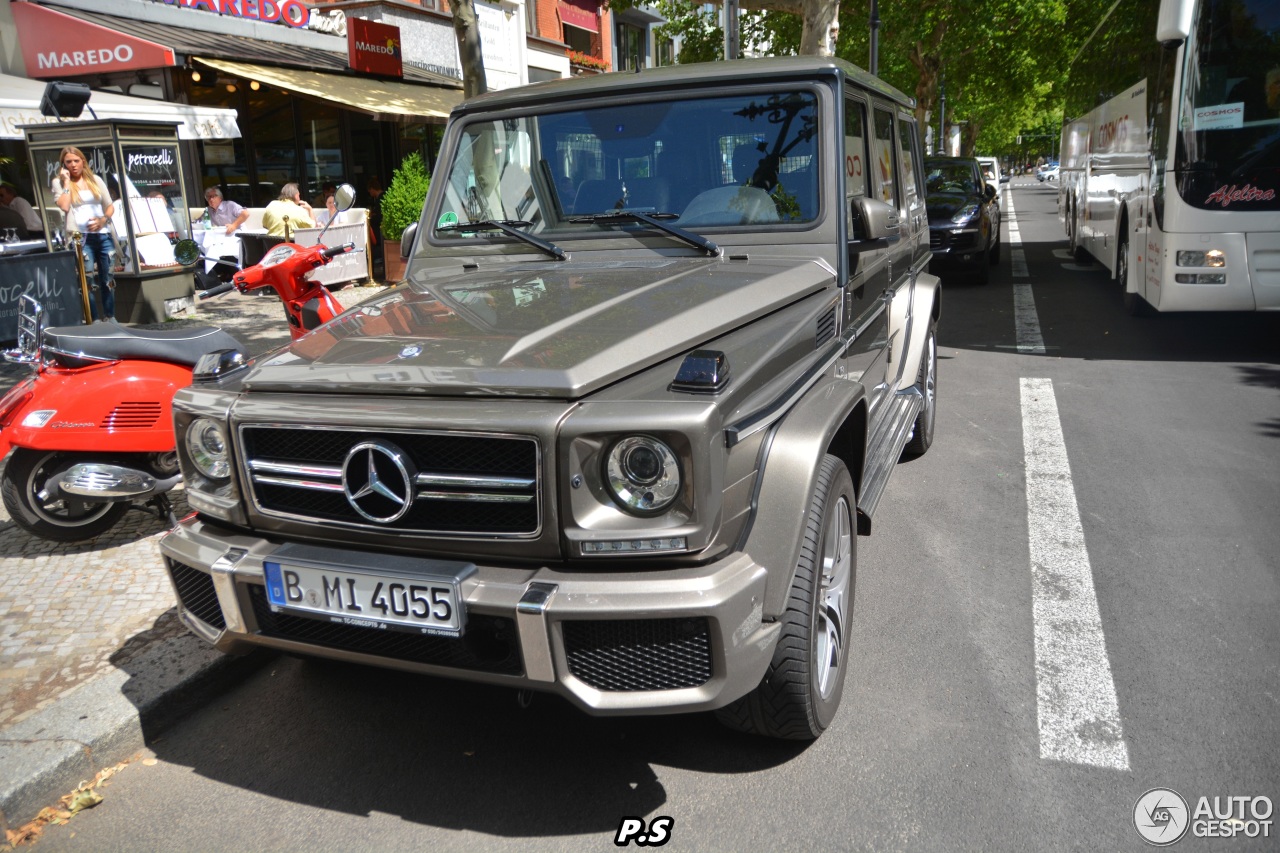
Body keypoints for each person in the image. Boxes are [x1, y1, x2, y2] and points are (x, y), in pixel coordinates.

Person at [52, 145, 116, 321]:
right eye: (68, 162)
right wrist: (66, 183)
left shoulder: (95, 179)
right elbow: (64, 206)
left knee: (107, 278)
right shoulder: (59, 182)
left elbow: (110, 205)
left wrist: (103, 220)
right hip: (80, 237)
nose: (73, 165)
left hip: (102, 234)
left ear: (83, 162)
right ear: (63, 165)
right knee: (87, 280)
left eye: (76, 161)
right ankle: (93, 318)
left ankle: (110, 316)